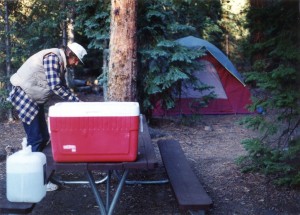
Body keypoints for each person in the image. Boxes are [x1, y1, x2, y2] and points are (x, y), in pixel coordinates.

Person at [8, 42, 87, 191]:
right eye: (76, 60)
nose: (76, 64)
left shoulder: (59, 61)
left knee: (43, 137)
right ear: (70, 54)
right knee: (36, 138)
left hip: (33, 97)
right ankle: (34, 182)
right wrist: (76, 102)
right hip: (25, 95)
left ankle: (41, 175)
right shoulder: (53, 58)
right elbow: (55, 86)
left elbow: (61, 86)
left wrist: (75, 100)